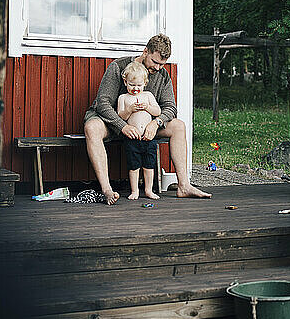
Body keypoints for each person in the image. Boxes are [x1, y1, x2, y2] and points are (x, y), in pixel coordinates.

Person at [84, 33, 211, 205]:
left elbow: (170, 108)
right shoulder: (118, 67)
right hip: (115, 122)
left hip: (145, 125)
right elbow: (103, 104)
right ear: (145, 52)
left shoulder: (163, 76)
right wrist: (122, 126)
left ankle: (184, 186)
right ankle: (107, 190)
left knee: (179, 126)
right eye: (155, 62)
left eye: (162, 64)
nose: (158, 68)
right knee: (92, 127)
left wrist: (156, 123)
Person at [117, 62, 161, 200]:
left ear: (145, 83)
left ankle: (148, 190)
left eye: (139, 85)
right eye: (132, 85)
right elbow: (120, 117)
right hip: (133, 138)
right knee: (134, 165)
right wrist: (129, 109)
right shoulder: (123, 98)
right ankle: (134, 190)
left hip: (148, 137)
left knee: (149, 165)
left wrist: (147, 107)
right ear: (125, 82)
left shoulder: (147, 96)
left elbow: (158, 111)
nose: (135, 89)